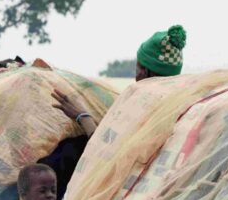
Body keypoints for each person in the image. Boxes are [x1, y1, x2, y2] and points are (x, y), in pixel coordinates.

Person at [54, 24, 187, 135]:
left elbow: (105, 151)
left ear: (144, 71)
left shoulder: (141, 103)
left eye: (137, 67)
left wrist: (82, 116)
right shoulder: (182, 104)